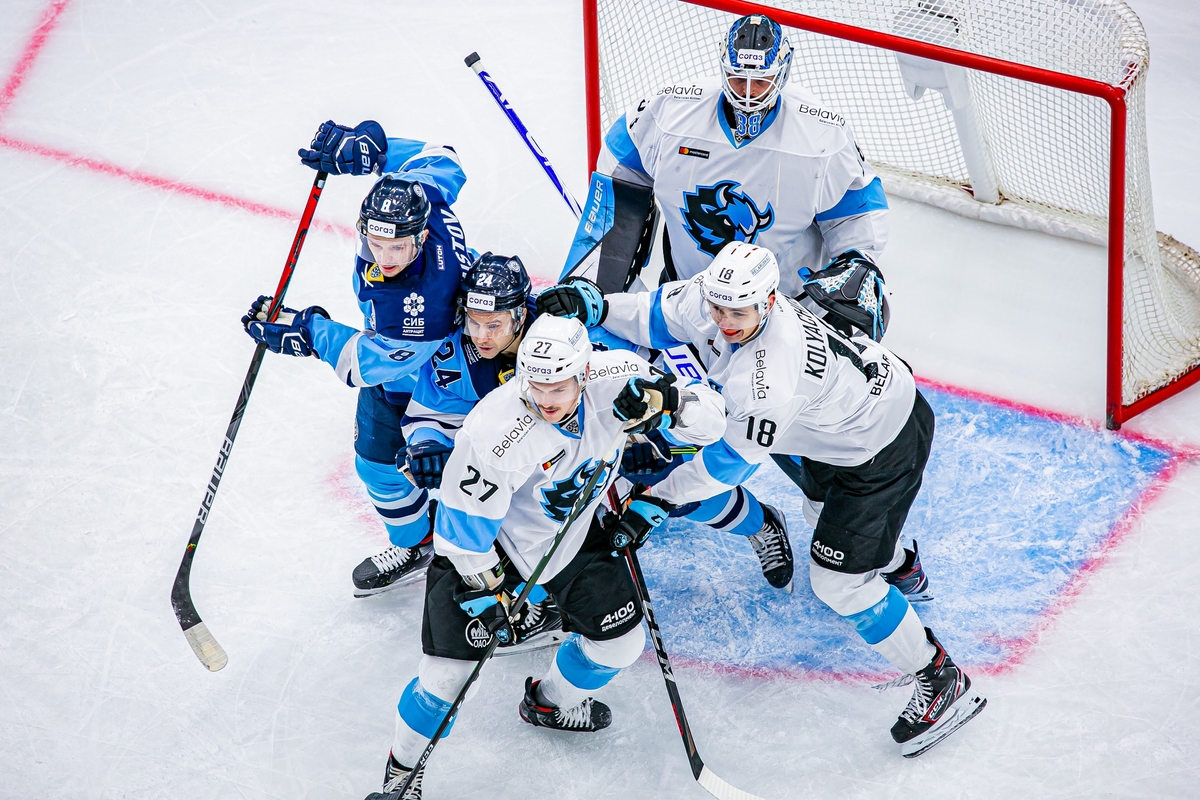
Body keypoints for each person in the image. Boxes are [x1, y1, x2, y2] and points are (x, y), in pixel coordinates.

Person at [543, 241, 985, 758]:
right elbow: (652, 316)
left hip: (881, 443)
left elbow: (728, 465)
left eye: (738, 312)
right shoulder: (716, 297)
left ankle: (939, 676)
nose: (724, 321)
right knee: (822, 519)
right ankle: (901, 566)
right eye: (718, 309)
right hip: (833, 429)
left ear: (770, 301)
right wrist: (595, 305)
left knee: (839, 581)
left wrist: (655, 501)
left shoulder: (768, 377)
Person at [364, 315, 727, 798]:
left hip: (572, 538)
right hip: (492, 554)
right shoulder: (496, 428)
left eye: (558, 386)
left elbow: (713, 419)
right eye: (536, 385)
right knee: (443, 682)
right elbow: (461, 530)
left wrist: (671, 400)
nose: (546, 399)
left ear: (584, 372)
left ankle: (550, 703)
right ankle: (402, 773)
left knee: (619, 645)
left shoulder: (618, 372)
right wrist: (490, 591)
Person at [242, 120, 471, 597]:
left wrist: (308, 331)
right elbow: (439, 155)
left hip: (444, 378)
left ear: (422, 239)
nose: (384, 257)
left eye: (398, 248)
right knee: (376, 465)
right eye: (376, 243)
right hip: (402, 360)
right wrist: (375, 149)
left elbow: (371, 364)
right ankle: (416, 543)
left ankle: (492, 557)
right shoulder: (422, 199)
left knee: (459, 469)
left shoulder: (421, 304)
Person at [597, 13, 888, 299]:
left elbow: (856, 211)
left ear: (782, 72)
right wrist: (614, 230)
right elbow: (622, 155)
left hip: (783, 310)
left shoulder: (823, 136)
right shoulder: (671, 111)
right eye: (738, 78)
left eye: (761, 81)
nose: (747, 94)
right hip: (685, 298)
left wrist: (856, 267)